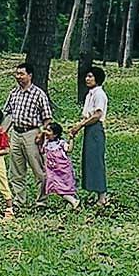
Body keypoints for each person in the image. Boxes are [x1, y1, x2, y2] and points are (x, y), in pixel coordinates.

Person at [3, 61, 53, 208]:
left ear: (29, 75)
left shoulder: (38, 94)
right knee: (16, 170)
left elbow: (47, 117)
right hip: (16, 133)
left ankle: (41, 201)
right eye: (17, 74)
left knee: (38, 168)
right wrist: (3, 132)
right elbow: (8, 113)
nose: (18, 77)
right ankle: (19, 200)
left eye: (21, 74)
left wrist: (42, 133)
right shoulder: (13, 93)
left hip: (32, 133)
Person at [70, 65, 110, 206]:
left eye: (90, 76)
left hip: (95, 129)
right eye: (87, 76)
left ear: (97, 79)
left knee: (96, 161)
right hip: (89, 129)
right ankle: (96, 192)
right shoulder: (90, 94)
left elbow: (97, 114)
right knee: (90, 161)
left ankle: (102, 196)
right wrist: (78, 126)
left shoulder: (99, 94)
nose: (87, 79)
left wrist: (80, 125)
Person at [36, 122, 79, 208]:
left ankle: (73, 201)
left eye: (49, 131)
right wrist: (42, 135)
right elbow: (41, 149)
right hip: (52, 171)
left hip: (63, 170)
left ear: (55, 134)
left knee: (65, 186)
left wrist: (71, 139)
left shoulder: (61, 143)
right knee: (55, 187)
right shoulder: (46, 143)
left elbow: (69, 149)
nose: (46, 132)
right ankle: (72, 201)